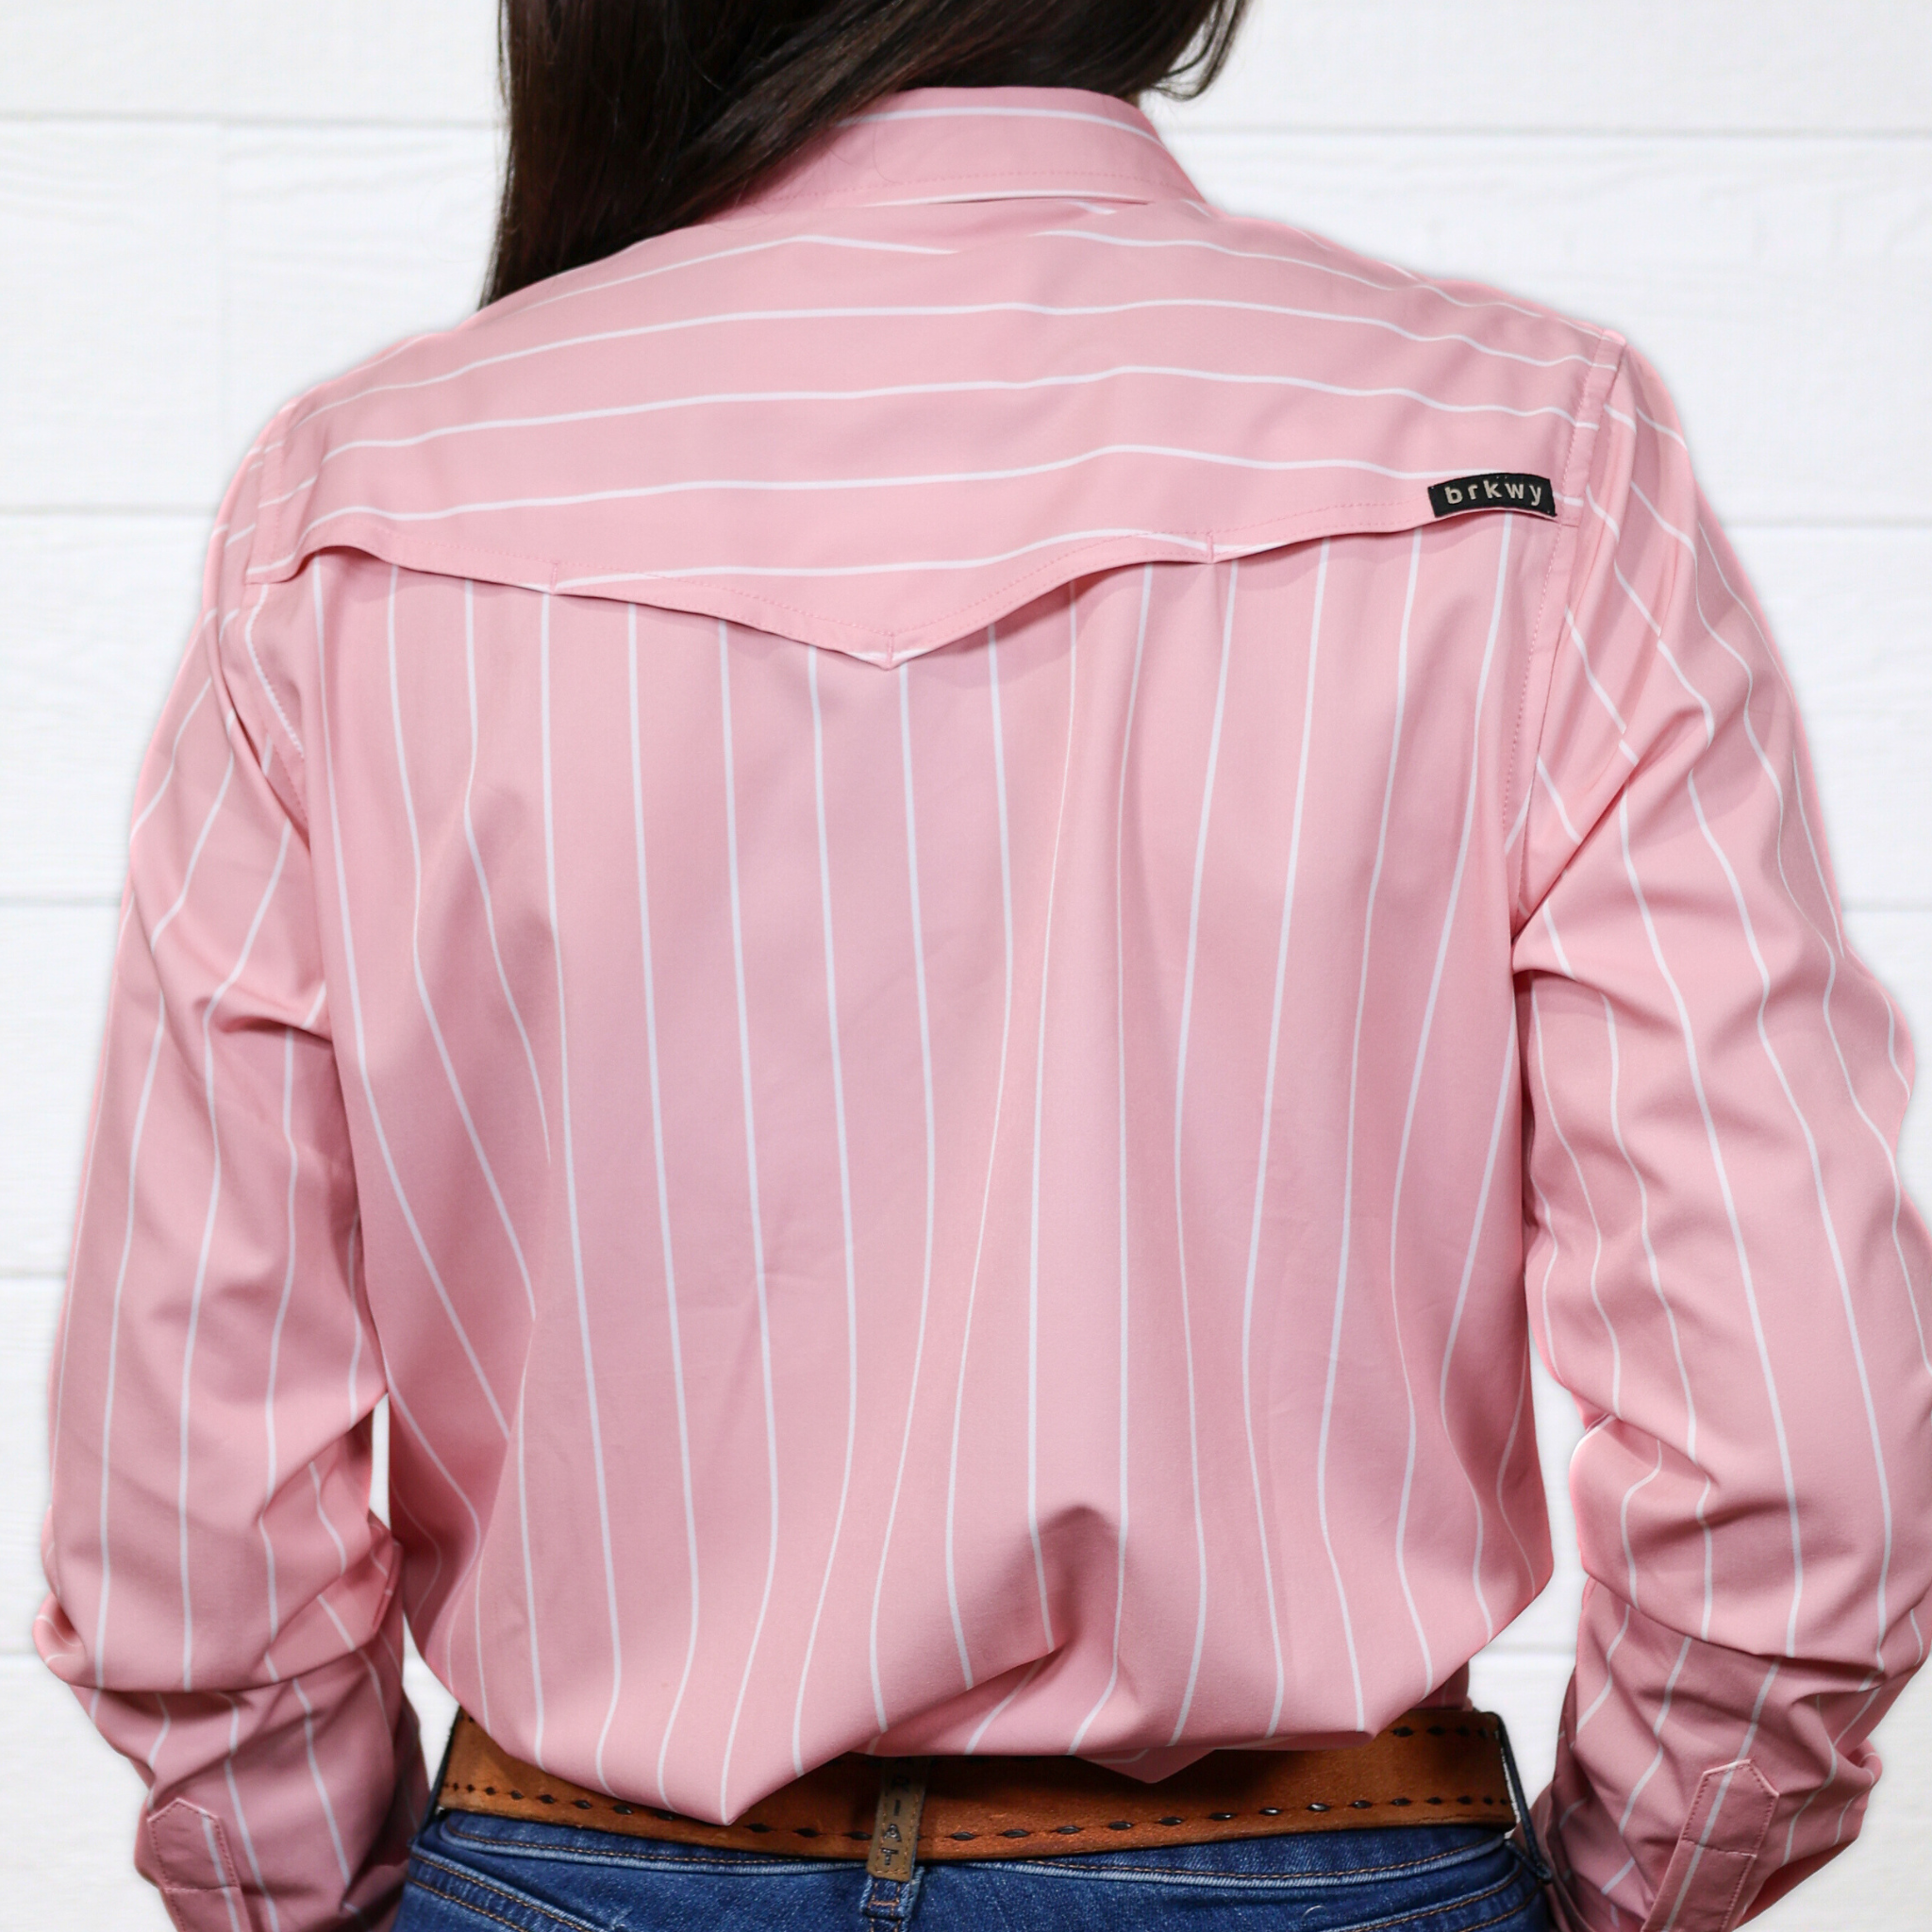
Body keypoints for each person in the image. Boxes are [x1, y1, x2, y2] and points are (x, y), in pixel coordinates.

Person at [35, 2, 1932, 1928]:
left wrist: (309, 1894)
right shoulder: (1529, 456)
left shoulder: (356, 507)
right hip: (1330, 1861)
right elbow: (1794, 1456)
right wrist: (1624, 1889)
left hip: (577, 1868)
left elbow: (190, 1510)